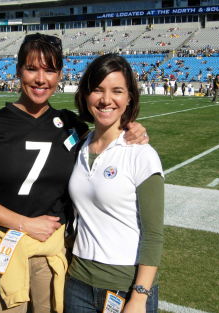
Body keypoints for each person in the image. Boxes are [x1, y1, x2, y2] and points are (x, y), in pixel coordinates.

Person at [0, 34, 148, 313]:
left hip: (51, 251)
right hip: (2, 249)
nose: (40, 79)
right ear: (19, 71)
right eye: (32, 69)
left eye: (50, 70)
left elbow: (107, 133)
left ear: (60, 75)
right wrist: (24, 223)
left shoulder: (72, 126)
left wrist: (132, 127)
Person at [65, 54, 164, 313]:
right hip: (77, 282)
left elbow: (153, 234)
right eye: (97, 89)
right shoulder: (78, 144)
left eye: (117, 91)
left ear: (129, 96)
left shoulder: (142, 154)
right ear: (86, 95)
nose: (106, 100)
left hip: (125, 287)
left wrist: (140, 297)